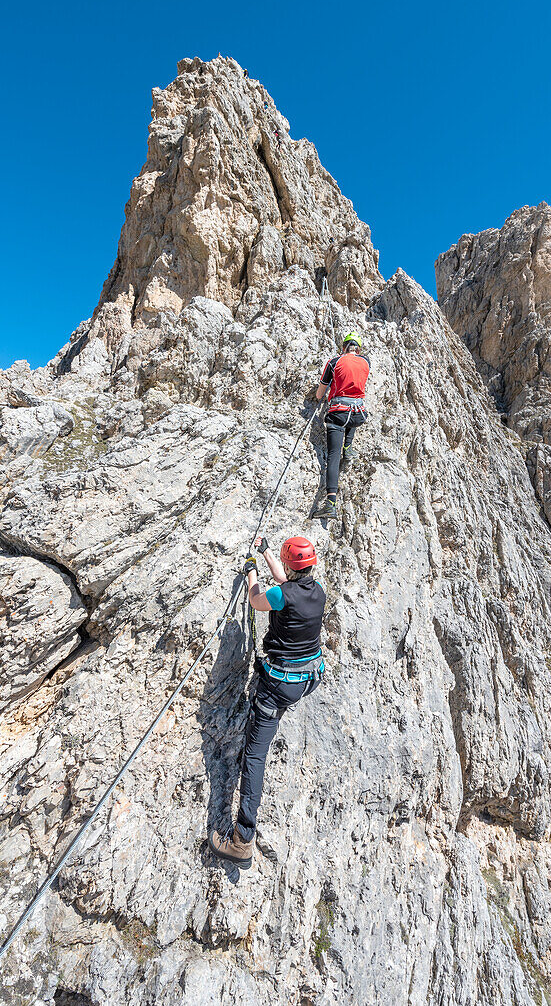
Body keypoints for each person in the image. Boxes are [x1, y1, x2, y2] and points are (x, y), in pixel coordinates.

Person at [209, 535, 325, 868]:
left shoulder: (281, 595)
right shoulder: (316, 592)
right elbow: (285, 583)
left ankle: (243, 839)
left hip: (278, 686)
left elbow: (258, 599)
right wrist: (264, 552)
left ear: (290, 565)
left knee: (255, 755)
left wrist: (250, 573)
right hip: (307, 678)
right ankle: (243, 835)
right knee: (262, 739)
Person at [312, 332, 370, 520]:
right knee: (353, 408)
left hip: (338, 414)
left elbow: (320, 394)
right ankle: (349, 445)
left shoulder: (333, 362)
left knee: (333, 457)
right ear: (358, 349)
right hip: (357, 415)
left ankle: (330, 504)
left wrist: (322, 394)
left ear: (344, 346)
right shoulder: (366, 362)